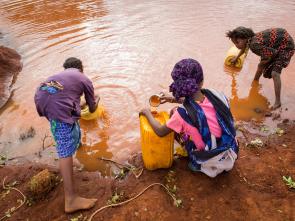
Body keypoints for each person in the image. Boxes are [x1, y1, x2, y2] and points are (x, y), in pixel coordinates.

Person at [140, 58, 239, 178]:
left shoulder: (181, 114)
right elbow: (199, 105)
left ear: (179, 85)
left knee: (174, 112)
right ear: (202, 81)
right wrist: (171, 99)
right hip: (230, 150)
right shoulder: (217, 95)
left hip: (208, 160)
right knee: (189, 118)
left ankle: (197, 164)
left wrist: (146, 113)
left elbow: (160, 132)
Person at [34, 57, 99, 213]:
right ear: (81, 68)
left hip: (42, 99)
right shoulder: (84, 78)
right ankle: (71, 200)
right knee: (64, 150)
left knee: (66, 125)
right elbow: (91, 109)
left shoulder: (59, 78)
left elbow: (68, 101)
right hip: (56, 106)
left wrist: (80, 104)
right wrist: (97, 100)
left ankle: (77, 150)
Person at [226, 27, 295, 109]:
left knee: (274, 73)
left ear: (245, 38)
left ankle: (278, 102)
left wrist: (263, 63)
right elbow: (244, 48)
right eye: (235, 44)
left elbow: (272, 53)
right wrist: (237, 58)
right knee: (262, 66)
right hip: (277, 43)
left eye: (237, 42)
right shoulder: (251, 40)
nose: (236, 46)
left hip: (286, 47)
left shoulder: (254, 45)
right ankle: (255, 81)